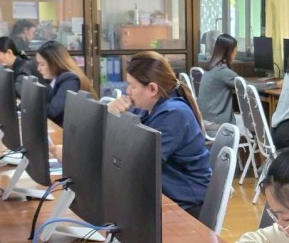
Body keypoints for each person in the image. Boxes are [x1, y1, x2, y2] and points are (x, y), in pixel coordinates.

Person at [107, 51, 211, 219]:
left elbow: (139, 162)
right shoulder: (147, 108)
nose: (128, 91)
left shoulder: (173, 114)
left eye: (132, 86)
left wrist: (111, 120)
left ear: (152, 89)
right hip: (164, 193)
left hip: (185, 203)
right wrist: (113, 116)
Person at [36, 41, 96, 126]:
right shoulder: (55, 79)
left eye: (42, 64)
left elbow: (52, 111)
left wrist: (30, 105)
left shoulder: (70, 80)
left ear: (55, 63)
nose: (38, 69)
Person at [197, 33, 239, 133]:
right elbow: (249, 87)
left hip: (204, 121)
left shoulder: (211, 68)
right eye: (235, 50)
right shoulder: (222, 71)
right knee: (249, 122)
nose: (236, 53)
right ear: (229, 52)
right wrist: (273, 84)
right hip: (217, 124)